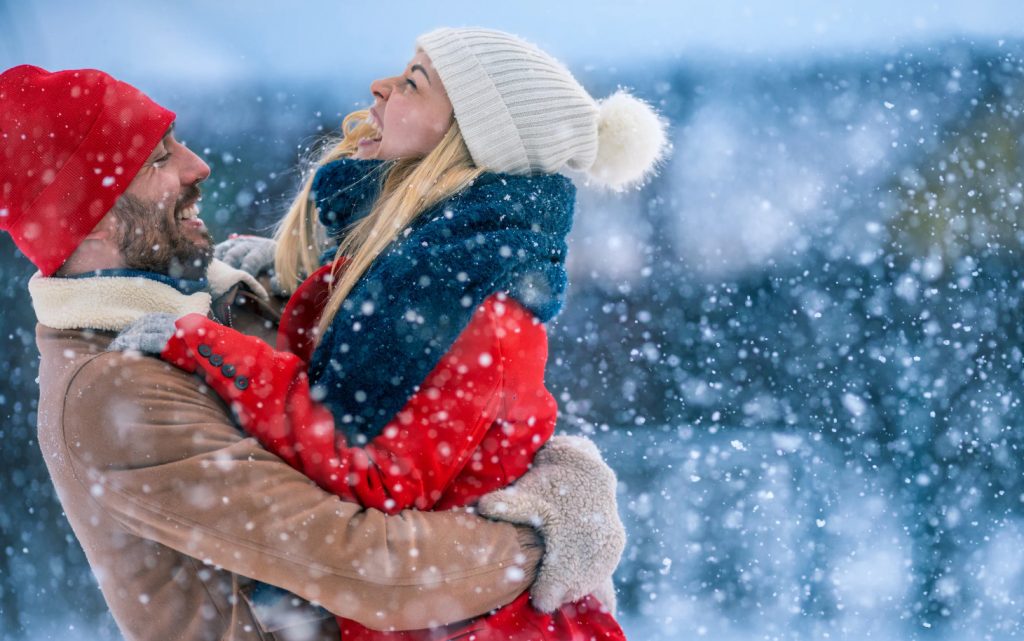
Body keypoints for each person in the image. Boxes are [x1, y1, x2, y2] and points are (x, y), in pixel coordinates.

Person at [0, 63, 626, 641]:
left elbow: (429, 410)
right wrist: (542, 535)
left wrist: (542, 463)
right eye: (161, 158)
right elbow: (378, 570)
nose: (198, 167)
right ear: (99, 214)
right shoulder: (113, 389)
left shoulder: (212, 302)